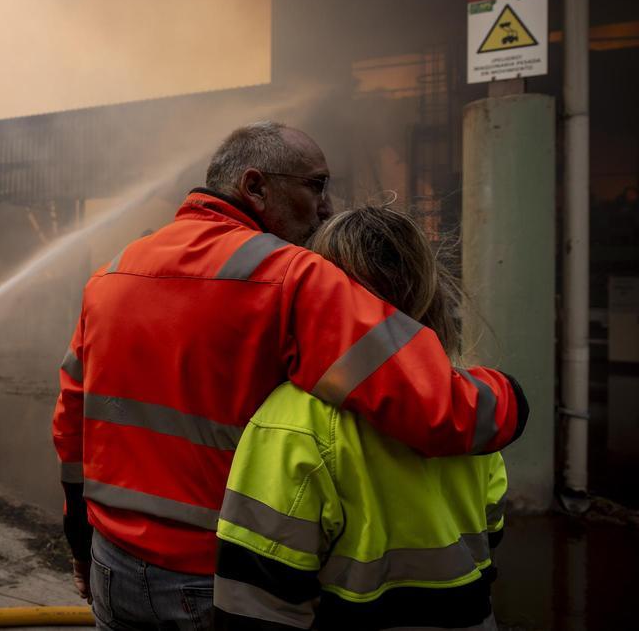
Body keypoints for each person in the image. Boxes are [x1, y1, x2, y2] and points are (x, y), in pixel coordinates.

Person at [51, 122, 527, 630]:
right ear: (254, 186)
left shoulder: (111, 275)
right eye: (316, 186)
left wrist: (80, 547)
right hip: (217, 581)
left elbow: (72, 431)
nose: (326, 206)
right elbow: (443, 410)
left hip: (111, 565)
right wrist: (510, 395)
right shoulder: (293, 277)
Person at [213, 206, 513, 630]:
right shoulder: (470, 407)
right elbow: (492, 529)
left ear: (322, 296)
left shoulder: (292, 420)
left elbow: (255, 600)